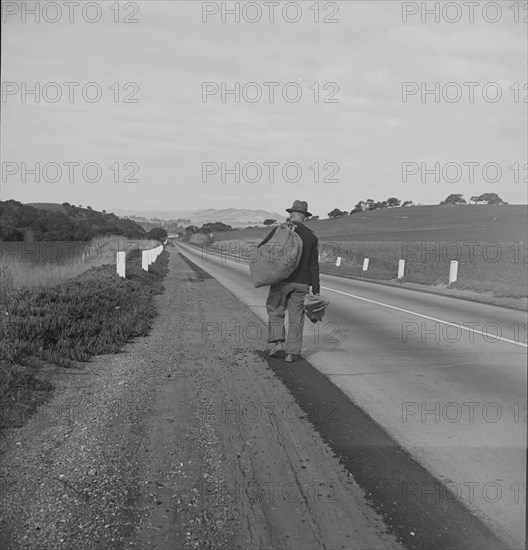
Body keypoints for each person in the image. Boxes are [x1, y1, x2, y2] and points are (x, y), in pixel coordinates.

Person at [261, 200, 320, 362]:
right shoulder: (311, 237)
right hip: (302, 284)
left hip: (281, 281)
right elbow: (314, 265)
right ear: (305, 217)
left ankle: (279, 343)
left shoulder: (280, 231)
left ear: (291, 215)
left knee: (275, 309)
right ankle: (292, 353)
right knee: (296, 316)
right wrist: (316, 289)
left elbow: (262, 248)